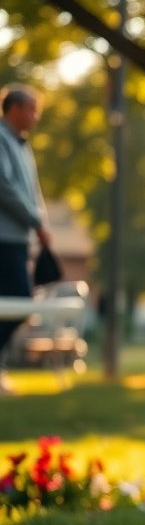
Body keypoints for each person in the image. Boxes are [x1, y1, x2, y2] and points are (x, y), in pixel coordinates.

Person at [0, 84, 49, 396]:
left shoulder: (22, 145)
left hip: (18, 239)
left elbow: (32, 192)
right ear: (14, 108)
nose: (36, 116)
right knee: (19, 301)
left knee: (12, 304)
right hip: (4, 239)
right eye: (32, 109)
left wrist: (40, 223)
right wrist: (35, 221)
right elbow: (4, 186)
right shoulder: (1, 139)